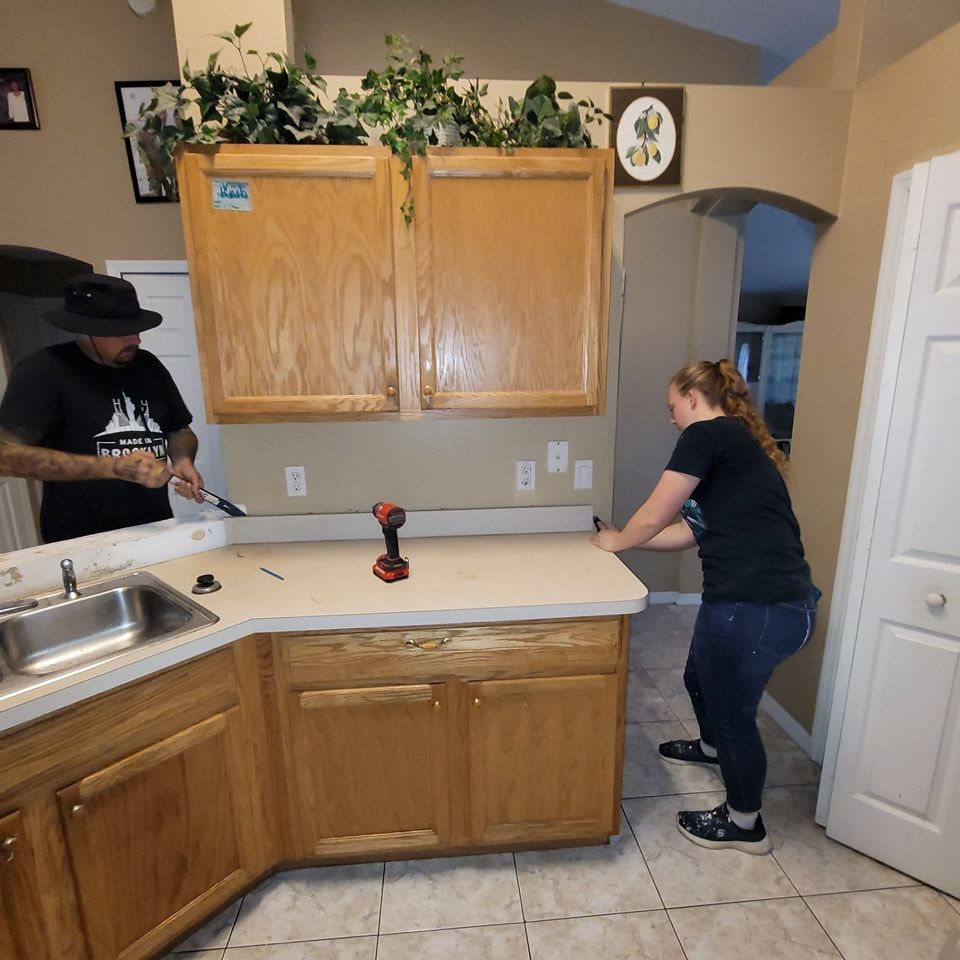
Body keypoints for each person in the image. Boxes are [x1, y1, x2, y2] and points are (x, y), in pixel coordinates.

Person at [592, 359, 818, 855]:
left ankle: (745, 824)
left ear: (693, 399)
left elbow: (656, 512)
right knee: (699, 679)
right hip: (774, 604)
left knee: (734, 712)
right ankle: (714, 750)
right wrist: (622, 542)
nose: (671, 419)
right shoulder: (734, 443)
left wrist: (618, 540)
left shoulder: (707, 434)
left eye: (672, 407)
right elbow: (691, 530)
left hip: (755, 606)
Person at [0, 273, 204, 543]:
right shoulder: (43, 371)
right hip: (81, 539)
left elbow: (179, 430)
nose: (135, 340)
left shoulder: (148, 366)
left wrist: (182, 460)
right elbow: (6, 457)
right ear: (86, 330)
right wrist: (114, 467)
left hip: (155, 530)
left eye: (136, 329)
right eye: (122, 332)